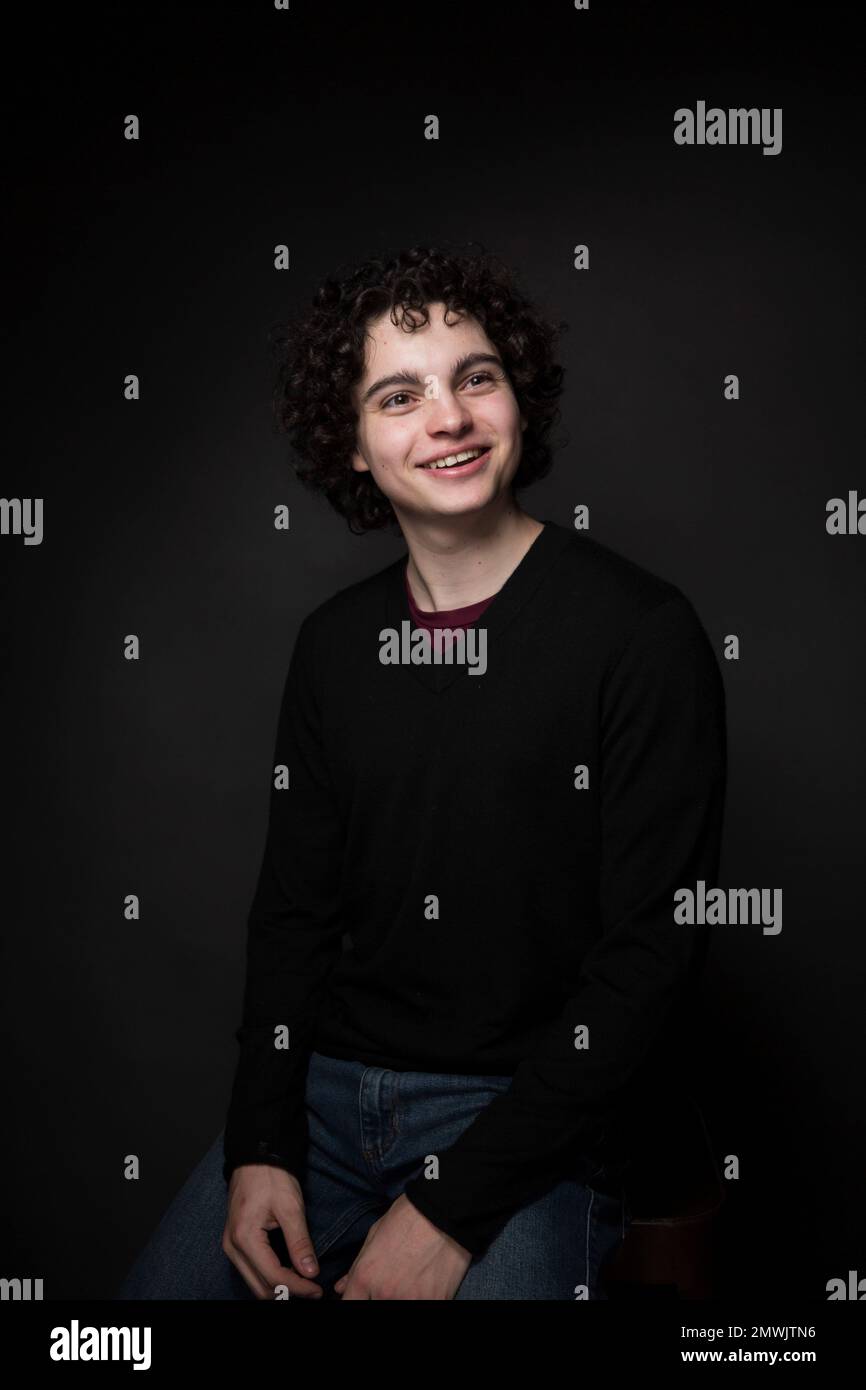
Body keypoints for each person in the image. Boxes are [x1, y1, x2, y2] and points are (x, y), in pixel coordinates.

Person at [116, 243, 726, 1301]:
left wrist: (447, 1211)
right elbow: (292, 917)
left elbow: (647, 968)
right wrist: (259, 1139)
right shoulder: (333, 645)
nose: (446, 416)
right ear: (351, 445)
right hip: (325, 1105)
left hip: (535, 1119)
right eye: (399, 394)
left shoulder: (640, 633)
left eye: (473, 377)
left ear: (515, 399)